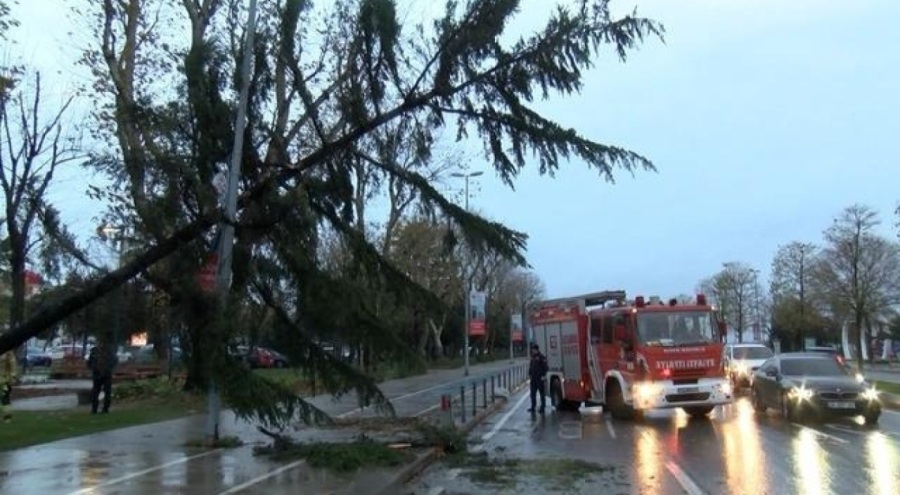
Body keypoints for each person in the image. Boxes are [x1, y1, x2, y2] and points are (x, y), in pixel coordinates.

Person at [87, 342, 118, 414]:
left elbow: (114, 361)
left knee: (107, 392)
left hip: (106, 374)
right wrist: (93, 368)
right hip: (97, 374)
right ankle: (94, 409)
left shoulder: (109, 351)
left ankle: (105, 409)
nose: (100, 344)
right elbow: (89, 362)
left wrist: (108, 369)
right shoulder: (94, 351)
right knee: (95, 392)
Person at [528, 343, 548, 413]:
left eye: (533, 349)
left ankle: (542, 407)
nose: (532, 351)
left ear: (536, 349)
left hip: (540, 378)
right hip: (533, 379)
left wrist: (543, 376)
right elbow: (531, 367)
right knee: (532, 394)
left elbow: (545, 367)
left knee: (542, 394)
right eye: (532, 349)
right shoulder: (533, 357)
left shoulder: (542, 357)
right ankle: (533, 407)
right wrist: (530, 374)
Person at [1, 349, 18, 422]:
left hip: (5, 379)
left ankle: (7, 417)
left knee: (5, 398)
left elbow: (13, 363)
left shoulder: (8, 351)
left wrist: (13, 376)